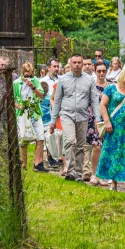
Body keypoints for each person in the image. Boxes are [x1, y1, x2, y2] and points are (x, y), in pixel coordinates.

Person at [51, 54, 98, 182]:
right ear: (70, 64)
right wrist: (53, 121)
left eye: (79, 62)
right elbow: (57, 100)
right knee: (70, 140)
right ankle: (70, 171)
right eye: (74, 62)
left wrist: (98, 119)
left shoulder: (89, 80)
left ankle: (78, 174)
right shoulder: (63, 79)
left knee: (80, 146)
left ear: (82, 64)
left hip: (83, 116)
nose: (77, 65)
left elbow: (94, 101)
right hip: (67, 114)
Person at [96, 68, 125, 192]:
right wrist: (107, 121)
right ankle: (113, 182)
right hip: (114, 126)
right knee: (113, 152)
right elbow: (103, 105)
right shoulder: (111, 88)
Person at [13, 61, 46, 171]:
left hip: (35, 112)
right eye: (27, 75)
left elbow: (41, 95)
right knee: (24, 139)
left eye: (30, 75)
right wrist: (19, 106)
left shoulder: (35, 80)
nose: (29, 77)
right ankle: (24, 164)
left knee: (40, 137)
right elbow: (12, 99)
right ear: (22, 73)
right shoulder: (16, 83)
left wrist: (33, 87)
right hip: (23, 114)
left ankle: (37, 164)